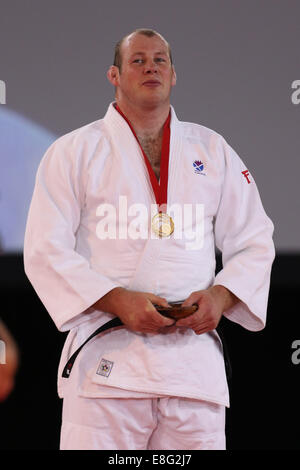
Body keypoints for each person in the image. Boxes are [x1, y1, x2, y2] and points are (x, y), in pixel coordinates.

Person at [24, 28, 275, 450]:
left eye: (160, 60)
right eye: (138, 60)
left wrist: (221, 296)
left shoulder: (213, 150)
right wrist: (117, 299)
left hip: (193, 370)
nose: (151, 67)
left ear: (174, 74)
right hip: (108, 364)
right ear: (114, 76)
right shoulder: (74, 151)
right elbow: (44, 249)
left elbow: (256, 240)